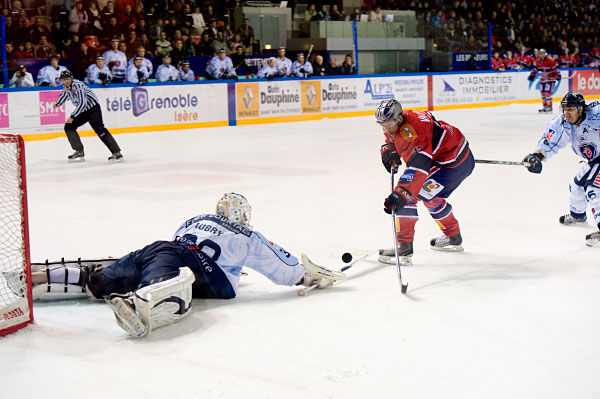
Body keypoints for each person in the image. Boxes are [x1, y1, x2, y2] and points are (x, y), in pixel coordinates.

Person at [6, 193, 347, 337]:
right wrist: (310, 275)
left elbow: (176, 248)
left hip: (161, 250)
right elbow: (283, 270)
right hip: (201, 273)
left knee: (107, 276)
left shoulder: (193, 219)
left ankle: (37, 277)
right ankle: (141, 301)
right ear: (242, 215)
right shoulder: (247, 234)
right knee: (165, 274)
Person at [375, 99, 474, 261]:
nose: (386, 128)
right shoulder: (398, 122)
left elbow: (418, 168)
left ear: (399, 117)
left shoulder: (413, 133)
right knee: (431, 198)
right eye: (382, 124)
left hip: (450, 165)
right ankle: (453, 236)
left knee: (408, 196)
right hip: (455, 157)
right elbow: (392, 137)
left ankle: (404, 246)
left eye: (389, 124)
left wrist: (401, 194)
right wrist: (389, 149)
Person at [522, 93, 600, 247]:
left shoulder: (597, 114)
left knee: (594, 189)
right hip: (593, 160)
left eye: (570, 109)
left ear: (581, 108)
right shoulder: (563, 123)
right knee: (576, 186)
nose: (566, 113)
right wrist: (537, 156)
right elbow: (550, 142)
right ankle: (578, 216)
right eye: (564, 109)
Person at [54, 70, 123, 162]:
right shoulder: (66, 87)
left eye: (68, 79)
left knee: (100, 130)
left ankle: (116, 153)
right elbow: (66, 95)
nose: (66, 81)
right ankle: (79, 151)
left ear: (71, 78)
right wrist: (57, 103)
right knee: (69, 126)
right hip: (84, 111)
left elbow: (83, 102)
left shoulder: (78, 85)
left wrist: (72, 116)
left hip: (93, 109)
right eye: (64, 79)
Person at [528, 48, 560, 113]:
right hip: (543, 79)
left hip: (550, 79)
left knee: (547, 93)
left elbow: (556, 68)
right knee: (542, 93)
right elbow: (536, 69)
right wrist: (533, 74)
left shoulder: (550, 60)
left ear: (545, 54)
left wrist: (558, 75)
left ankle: (549, 107)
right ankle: (545, 106)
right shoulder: (538, 60)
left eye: (543, 54)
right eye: (540, 54)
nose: (542, 55)